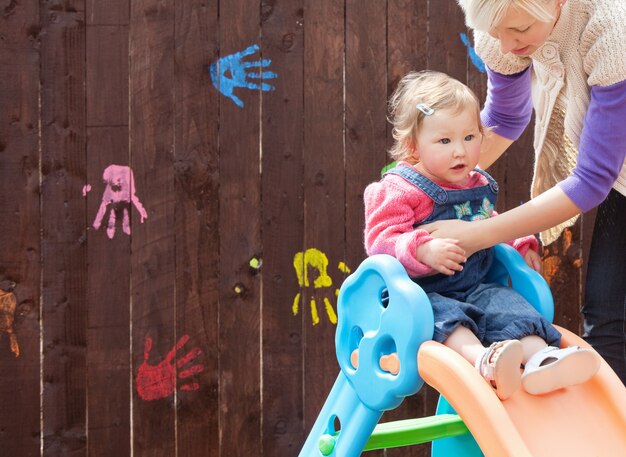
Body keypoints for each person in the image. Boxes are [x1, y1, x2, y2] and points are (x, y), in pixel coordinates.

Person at [419, 0, 626, 384]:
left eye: (520, 31)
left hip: (609, 173)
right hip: (618, 177)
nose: (508, 44)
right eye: (498, 34)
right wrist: (422, 185)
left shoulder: (613, 30)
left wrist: (477, 235)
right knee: (606, 317)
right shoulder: (499, 23)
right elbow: (504, 118)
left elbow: (593, 177)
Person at [360, 70, 599, 400]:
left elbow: (487, 222)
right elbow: (380, 241)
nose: (460, 151)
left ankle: (541, 359)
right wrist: (421, 250)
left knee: (512, 306)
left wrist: (519, 244)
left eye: (469, 137)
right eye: (445, 141)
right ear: (413, 147)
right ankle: (482, 360)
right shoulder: (398, 190)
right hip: (419, 296)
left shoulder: (474, 184)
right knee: (448, 320)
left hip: (475, 287)